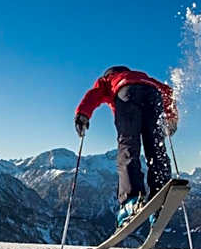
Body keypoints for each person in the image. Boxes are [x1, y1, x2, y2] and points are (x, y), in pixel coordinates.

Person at [75, 65, 178, 228]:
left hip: (127, 94)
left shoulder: (108, 80)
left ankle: (131, 200)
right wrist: (171, 117)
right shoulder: (144, 77)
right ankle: (161, 194)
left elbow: (93, 94)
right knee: (156, 147)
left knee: (128, 146)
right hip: (153, 95)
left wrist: (82, 114)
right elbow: (167, 92)